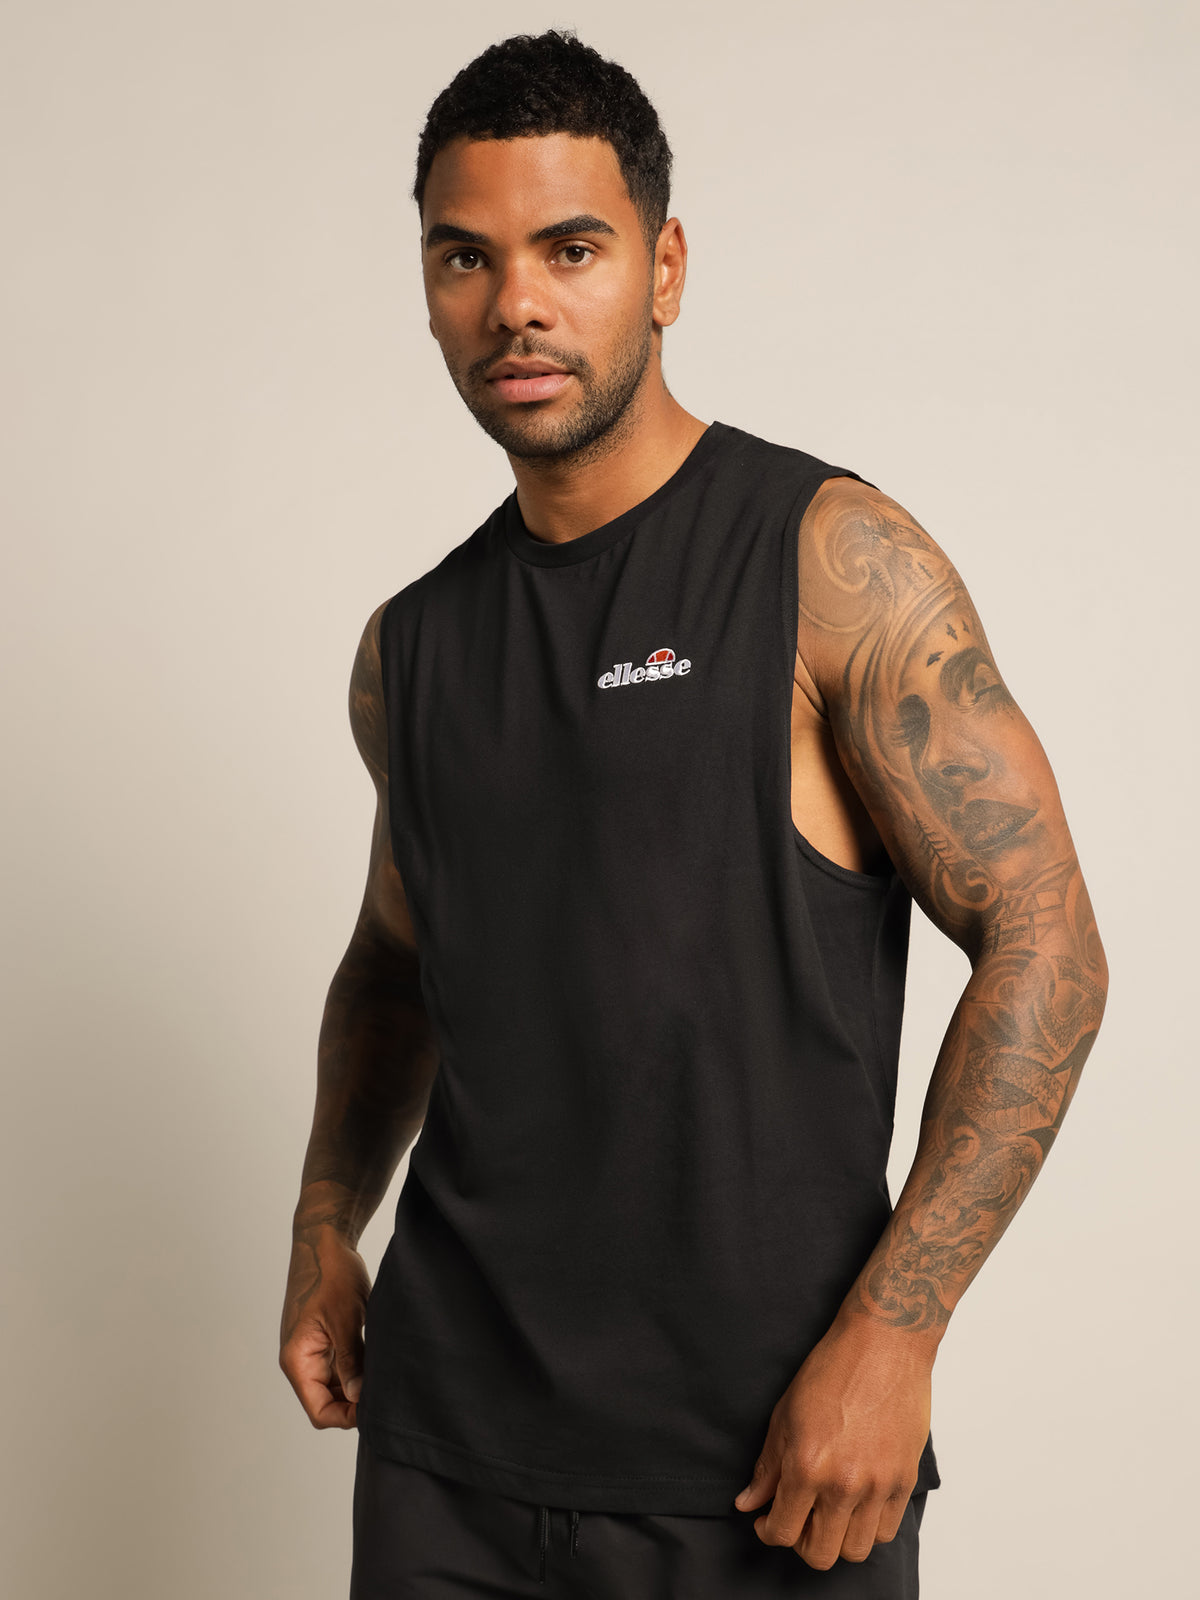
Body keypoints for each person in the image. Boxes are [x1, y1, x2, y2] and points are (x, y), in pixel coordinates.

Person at [279, 29, 1107, 1598]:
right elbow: (396, 959)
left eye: (569, 249)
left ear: (663, 269)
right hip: (447, 1461)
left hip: (770, 1471)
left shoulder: (828, 561)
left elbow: (1047, 939)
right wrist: (328, 1222)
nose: (514, 305)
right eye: (465, 257)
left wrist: (897, 1335)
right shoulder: (414, 649)